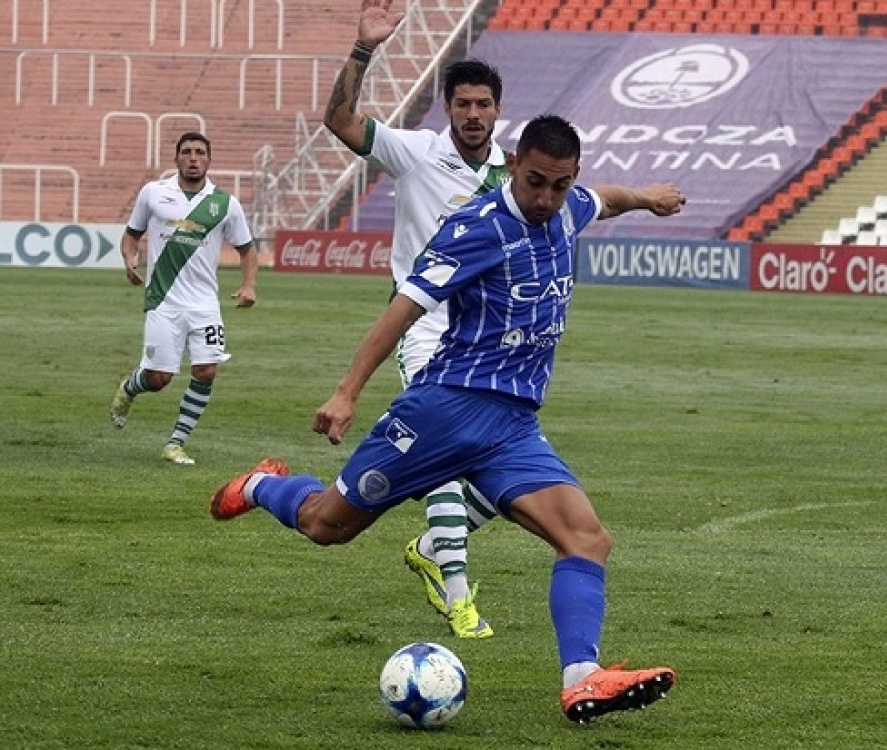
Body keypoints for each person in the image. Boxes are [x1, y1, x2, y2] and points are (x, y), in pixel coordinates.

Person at [209, 114, 686, 724]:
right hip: (445, 410)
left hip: (512, 425)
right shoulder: (476, 227)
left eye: (559, 185)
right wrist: (346, 392)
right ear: (513, 165)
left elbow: (607, 199)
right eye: (535, 181)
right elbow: (404, 307)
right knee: (327, 525)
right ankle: (260, 485)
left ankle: (581, 679)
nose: (545, 198)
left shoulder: (570, 208)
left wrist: (647, 198)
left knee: (587, 539)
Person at [323, 0, 510, 637]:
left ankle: (431, 548)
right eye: (463, 104)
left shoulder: (514, 176)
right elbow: (340, 120)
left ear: (497, 110)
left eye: (483, 104)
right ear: (447, 108)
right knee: (449, 449)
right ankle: (457, 594)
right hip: (425, 327)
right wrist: (364, 48)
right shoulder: (417, 152)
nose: (474, 114)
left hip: (489, 339)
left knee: (506, 467)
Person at [110, 131, 258, 465]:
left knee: (206, 371)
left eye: (200, 152)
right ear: (176, 158)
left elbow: (247, 250)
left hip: (205, 304)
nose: (193, 158)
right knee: (159, 378)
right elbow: (131, 235)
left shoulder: (225, 204)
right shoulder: (154, 193)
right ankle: (130, 389)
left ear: (209, 160)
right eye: (187, 152)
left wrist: (249, 285)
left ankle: (175, 444)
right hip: (163, 300)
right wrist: (129, 259)